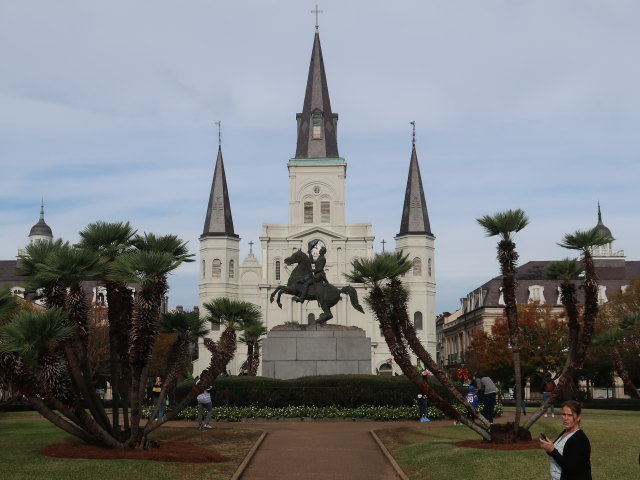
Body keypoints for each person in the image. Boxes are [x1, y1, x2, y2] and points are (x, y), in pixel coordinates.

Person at [539, 400, 592, 480]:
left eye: (570, 415)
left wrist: (552, 451)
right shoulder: (565, 432)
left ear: (578, 417)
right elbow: (558, 454)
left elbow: (571, 468)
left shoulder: (580, 439)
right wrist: (548, 447)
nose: (565, 418)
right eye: (564, 414)